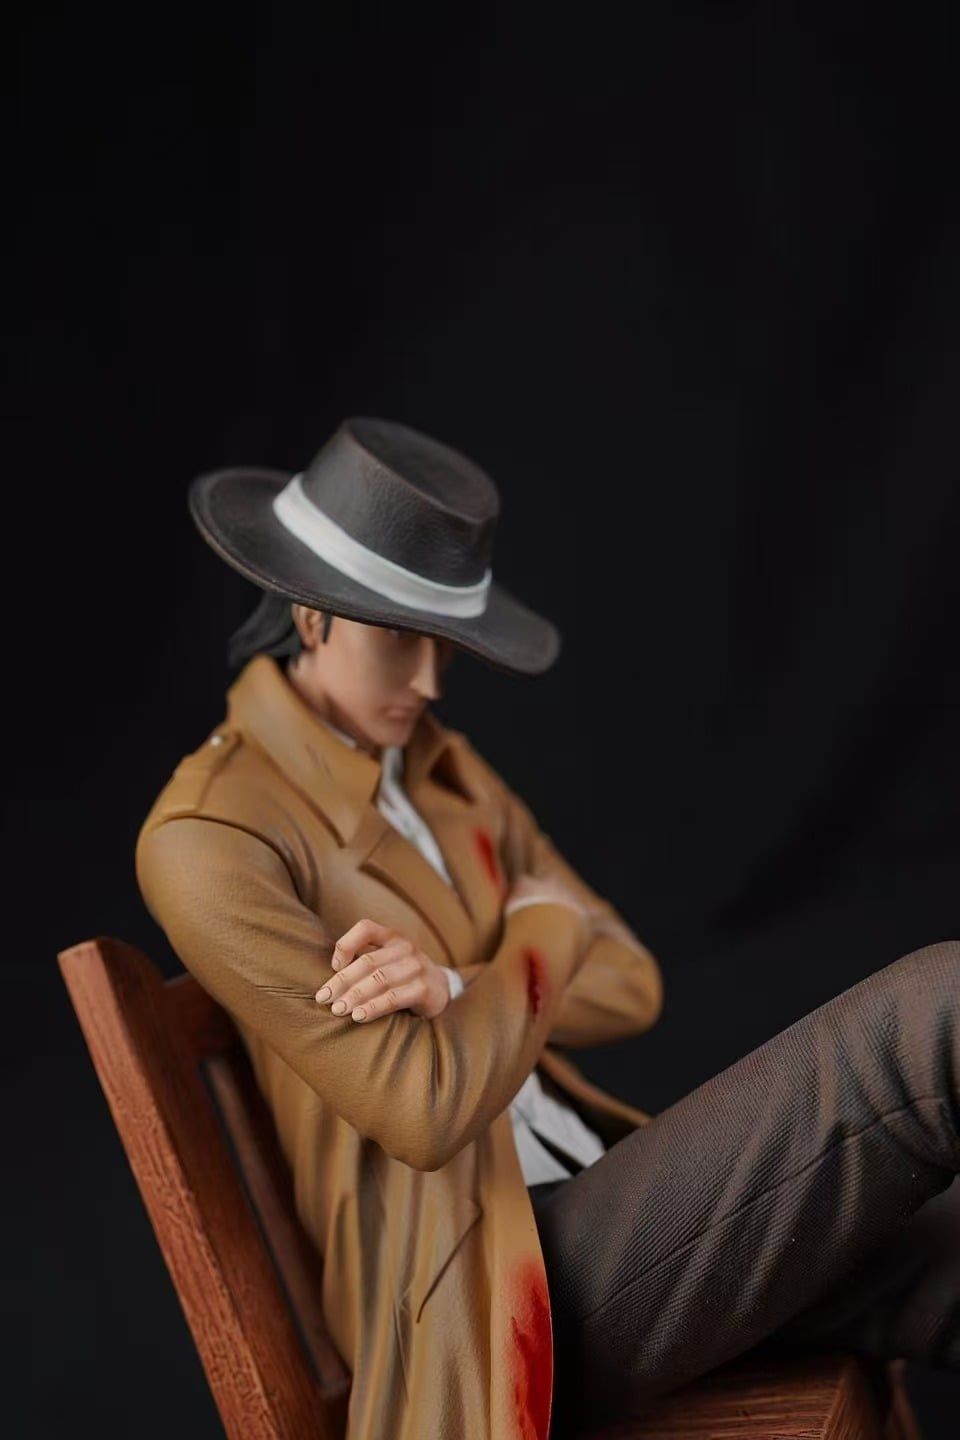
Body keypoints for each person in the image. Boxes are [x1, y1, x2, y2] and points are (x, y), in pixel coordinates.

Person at [136, 417, 960, 1440]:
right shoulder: (212, 837)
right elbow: (423, 1108)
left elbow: (631, 983)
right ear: (313, 618)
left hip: (603, 1197)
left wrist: (459, 984)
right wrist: (535, 930)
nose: (430, 683)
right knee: (933, 1012)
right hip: (488, 1294)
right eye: (400, 641)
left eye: (443, 646)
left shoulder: (442, 769)